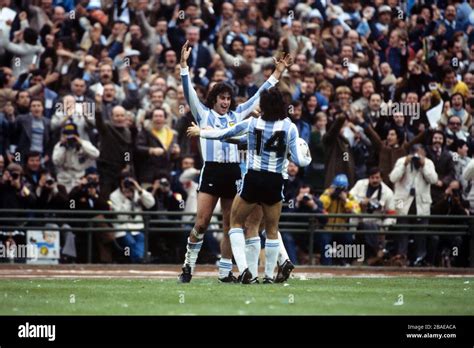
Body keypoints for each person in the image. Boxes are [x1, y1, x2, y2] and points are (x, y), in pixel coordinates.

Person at [178, 40, 291, 283]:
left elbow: (259, 95)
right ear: (214, 99)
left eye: (228, 98)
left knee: (232, 224)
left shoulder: (237, 114)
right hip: (211, 171)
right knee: (202, 222)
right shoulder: (203, 113)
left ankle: (225, 271)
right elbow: (189, 94)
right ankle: (188, 265)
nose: (226, 102)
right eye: (222, 98)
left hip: (232, 172)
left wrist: (278, 73)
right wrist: (183, 67)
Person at [187, 86, 311, 283]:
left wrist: (201, 132)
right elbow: (300, 160)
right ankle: (270, 275)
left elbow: (227, 134)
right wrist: (306, 155)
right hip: (275, 180)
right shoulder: (290, 127)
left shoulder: (254, 123)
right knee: (270, 229)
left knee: (238, 224)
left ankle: (247, 271)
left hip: (253, 178)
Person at [389, 145, 438, 266]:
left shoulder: (428, 163)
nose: (418, 157)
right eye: (416, 154)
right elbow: (392, 178)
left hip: (421, 204)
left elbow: (434, 180)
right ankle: (401, 257)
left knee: (420, 234)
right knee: (402, 232)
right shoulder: (402, 161)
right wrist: (404, 164)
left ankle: (420, 258)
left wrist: (423, 165)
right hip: (403, 203)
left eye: (421, 154)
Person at [349, 167, 396, 265]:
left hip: (376, 223)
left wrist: (384, 228)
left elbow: (392, 213)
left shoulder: (388, 192)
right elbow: (349, 198)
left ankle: (374, 255)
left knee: (371, 229)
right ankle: (360, 257)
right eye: (372, 177)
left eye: (377, 178)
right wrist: (361, 202)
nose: (375, 180)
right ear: (368, 178)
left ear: (381, 178)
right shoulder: (360, 184)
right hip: (359, 219)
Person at [109, 172, 155, 263]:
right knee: (130, 241)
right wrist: (127, 199)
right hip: (122, 227)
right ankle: (141, 259)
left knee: (141, 238)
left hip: (137, 227)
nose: (127, 184)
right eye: (125, 181)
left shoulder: (138, 192)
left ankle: (139, 259)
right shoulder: (114, 195)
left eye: (130, 181)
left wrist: (138, 188)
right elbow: (121, 217)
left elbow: (150, 204)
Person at [319, 174, 361, 265]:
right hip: (327, 228)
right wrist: (330, 195)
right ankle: (326, 265)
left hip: (342, 229)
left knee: (349, 239)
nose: (339, 192)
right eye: (337, 188)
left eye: (342, 189)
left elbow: (357, 211)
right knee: (324, 239)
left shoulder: (349, 196)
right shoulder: (327, 194)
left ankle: (345, 262)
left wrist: (345, 200)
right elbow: (320, 206)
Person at [52, 123, 99, 193]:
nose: (69, 138)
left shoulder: (84, 144)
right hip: (64, 179)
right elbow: (56, 162)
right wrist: (63, 147)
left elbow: (96, 154)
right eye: (67, 135)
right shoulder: (59, 146)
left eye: (71, 135)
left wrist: (80, 142)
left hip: (80, 179)